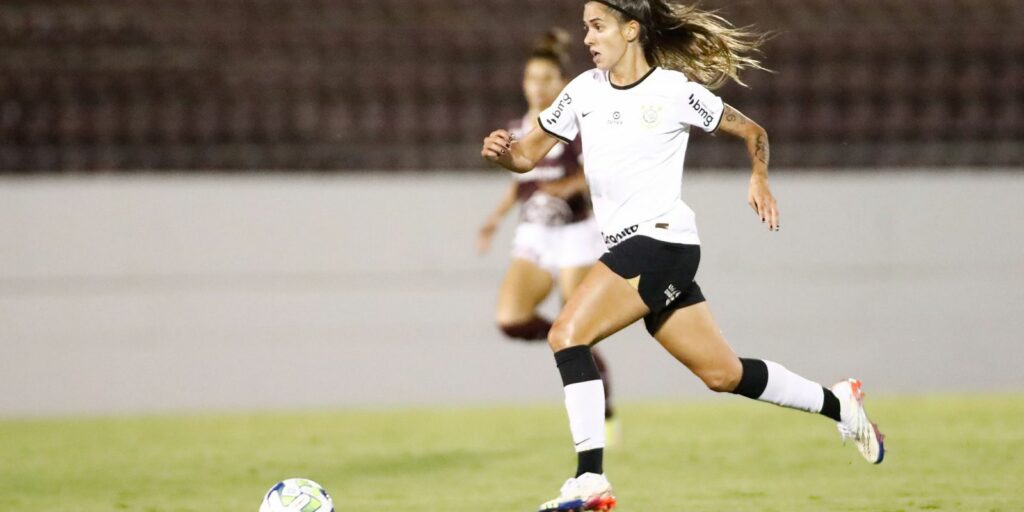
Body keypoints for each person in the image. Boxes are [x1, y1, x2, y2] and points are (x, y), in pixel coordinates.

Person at [479, 2, 885, 511]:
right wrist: (503, 155)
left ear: (631, 30)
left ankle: (589, 480)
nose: (587, 37)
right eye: (586, 27)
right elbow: (526, 155)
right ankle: (839, 403)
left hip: (661, 242)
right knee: (724, 375)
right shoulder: (582, 91)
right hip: (638, 249)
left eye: (597, 26)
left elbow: (753, 131)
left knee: (566, 334)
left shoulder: (673, 91)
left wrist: (759, 177)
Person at [477, 28, 618, 436]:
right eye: (530, 78)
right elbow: (521, 181)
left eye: (545, 79)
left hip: (576, 233)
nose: (536, 87)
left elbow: (593, 172)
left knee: (578, 329)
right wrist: (496, 216)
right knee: (510, 318)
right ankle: (563, 341)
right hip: (536, 234)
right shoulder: (515, 127)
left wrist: (568, 186)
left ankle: (598, 412)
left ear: (562, 83)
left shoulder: (575, 124)